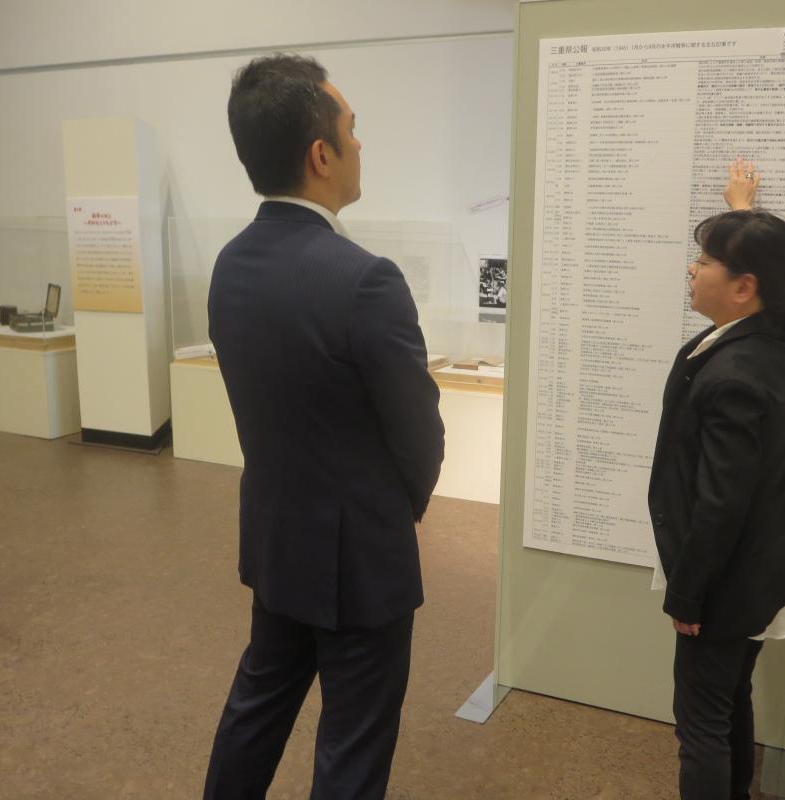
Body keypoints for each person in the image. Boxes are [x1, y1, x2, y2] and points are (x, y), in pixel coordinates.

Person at [203, 54, 445, 799]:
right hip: (360, 558)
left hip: (278, 538)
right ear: (321, 155)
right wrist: (397, 506)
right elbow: (418, 430)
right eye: (352, 128)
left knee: (257, 708)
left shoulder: (229, 265)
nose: (360, 143)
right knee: (353, 743)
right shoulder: (364, 278)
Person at [647, 158, 785, 800]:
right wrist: (741, 213)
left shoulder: (735, 375)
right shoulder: (783, 339)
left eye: (705, 261)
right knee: (729, 693)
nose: (692, 270)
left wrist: (687, 598)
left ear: (744, 287)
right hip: (764, 567)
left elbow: (721, 504)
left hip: (726, 578)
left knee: (700, 723)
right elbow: (783, 294)